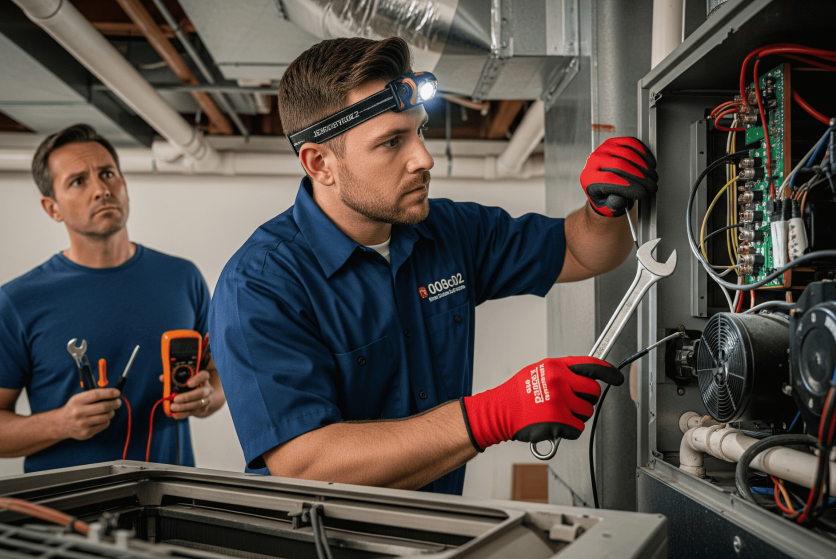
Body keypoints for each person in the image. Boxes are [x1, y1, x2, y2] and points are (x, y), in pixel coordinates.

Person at [209, 37, 658, 495]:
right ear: (320, 162)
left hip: (438, 534)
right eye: (391, 142)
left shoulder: (446, 230)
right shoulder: (259, 285)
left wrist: (604, 206)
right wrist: (493, 415)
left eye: (419, 131)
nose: (423, 158)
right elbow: (304, 464)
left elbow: (580, 251)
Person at [0, 124, 225, 471]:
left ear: (124, 185)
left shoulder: (183, 278)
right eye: (78, 181)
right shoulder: (18, 300)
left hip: (170, 507)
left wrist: (208, 397)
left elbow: (220, 373)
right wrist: (61, 423)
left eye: (107, 174)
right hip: (67, 513)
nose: (101, 189)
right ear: (52, 208)